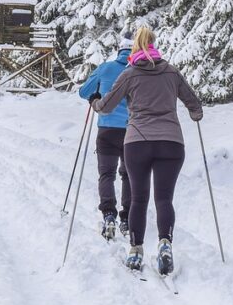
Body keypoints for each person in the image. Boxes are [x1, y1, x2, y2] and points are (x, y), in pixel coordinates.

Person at [90, 25, 203, 275]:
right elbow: (194, 104)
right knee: (164, 199)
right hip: (171, 143)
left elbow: (107, 105)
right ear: (154, 45)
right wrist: (195, 114)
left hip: (138, 142)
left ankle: (136, 250)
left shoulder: (129, 74)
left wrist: (95, 103)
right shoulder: (172, 72)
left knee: (139, 199)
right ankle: (164, 243)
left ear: (135, 48)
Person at [77, 34, 134, 240]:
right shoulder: (138, 71)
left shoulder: (106, 68)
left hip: (107, 130)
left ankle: (109, 214)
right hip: (132, 131)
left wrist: (96, 96)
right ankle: (127, 218)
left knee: (106, 175)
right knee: (128, 175)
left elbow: (84, 92)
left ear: (119, 51)